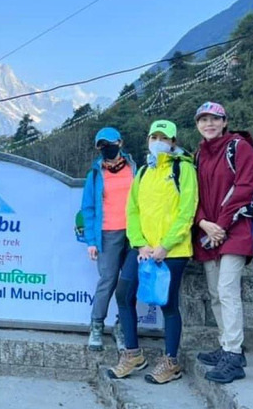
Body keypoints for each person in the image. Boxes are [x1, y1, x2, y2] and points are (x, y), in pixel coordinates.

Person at [107, 120, 198, 385]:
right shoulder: (144, 172)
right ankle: (133, 354)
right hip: (143, 249)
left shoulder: (184, 170)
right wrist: (140, 243)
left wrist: (165, 245)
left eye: (163, 137)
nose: (157, 141)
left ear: (173, 142)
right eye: (153, 136)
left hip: (173, 250)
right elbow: (132, 210)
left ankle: (171, 362)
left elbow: (187, 211)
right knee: (124, 295)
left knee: (168, 304)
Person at [193, 102, 253, 384]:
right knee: (215, 292)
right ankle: (227, 345)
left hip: (235, 229)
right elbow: (192, 195)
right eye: (203, 120)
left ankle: (233, 356)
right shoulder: (199, 154)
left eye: (214, 119)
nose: (209, 124)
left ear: (224, 122)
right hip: (209, 232)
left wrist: (221, 223)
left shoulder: (239, 146)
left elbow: (246, 187)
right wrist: (203, 222)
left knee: (227, 289)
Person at [80, 127, 135, 352]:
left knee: (129, 282)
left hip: (134, 234)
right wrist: (91, 241)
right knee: (108, 281)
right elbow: (88, 208)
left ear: (120, 143)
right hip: (108, 233)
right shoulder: (95, 174)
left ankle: (122, 328)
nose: (106, 148)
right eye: (101, 145)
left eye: (109, 143)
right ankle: (96, 326)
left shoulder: (135, 169)